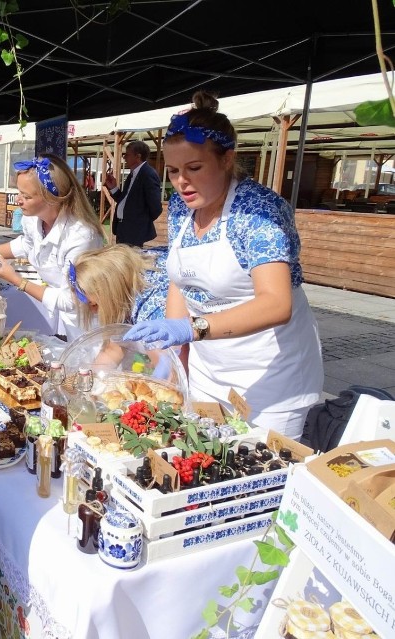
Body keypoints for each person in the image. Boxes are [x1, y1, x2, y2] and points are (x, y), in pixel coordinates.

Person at [124, 91, 323, 437]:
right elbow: (179, 283)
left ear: (227, 159)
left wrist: (192, 329)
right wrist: (176, 362)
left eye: (194, 168)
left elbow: (276, 304)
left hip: (270, 381)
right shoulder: (183, 211)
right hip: (208, 372)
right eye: (172, 171)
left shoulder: (258, 211)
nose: (181, 182)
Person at [0, 154, 105, 339]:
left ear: (51, 198)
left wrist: (16, 279)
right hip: (63, 316)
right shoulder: (33, 220)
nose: (18, 200)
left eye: (26, 196)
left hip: (88, 322)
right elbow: (26, 244)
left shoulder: (80, 236)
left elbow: (71, 301)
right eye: (18, 192)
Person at [69, 244, 168, 329]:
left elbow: (167, 350)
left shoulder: (150, 315)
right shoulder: (141, 260)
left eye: (94, 305)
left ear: (111, 291)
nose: (94, 312)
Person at [103, 140, 162, 247]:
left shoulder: (148, 174)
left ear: (138, 156)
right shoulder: (133, 175)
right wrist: (113, 188)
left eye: (127, 154)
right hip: (123, 229)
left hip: (134, 231)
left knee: (130, 262)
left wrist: (139, 221)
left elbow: (156, 208)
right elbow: (126, 201)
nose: (124, 157)